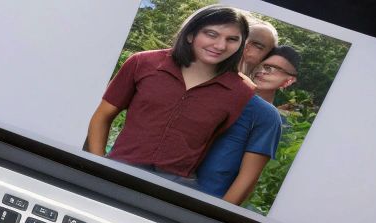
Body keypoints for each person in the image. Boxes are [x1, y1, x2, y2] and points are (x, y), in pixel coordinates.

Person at [86, 5, 255, 187]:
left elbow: (213, 137)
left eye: (232, 39)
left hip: (177, 184)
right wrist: (98, 165)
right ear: (191, 34)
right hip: (119, 167)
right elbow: (102, 116)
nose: (221, 46)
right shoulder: (142, 63)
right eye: (211, 34)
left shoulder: (242, 90)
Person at [196, 42, 299, 205]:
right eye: (262, 65)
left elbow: (247, 180)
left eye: (272, 69)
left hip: (208, 200)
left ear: (288, 81)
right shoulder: (214, 92)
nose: (263, 72)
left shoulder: (269, 117)